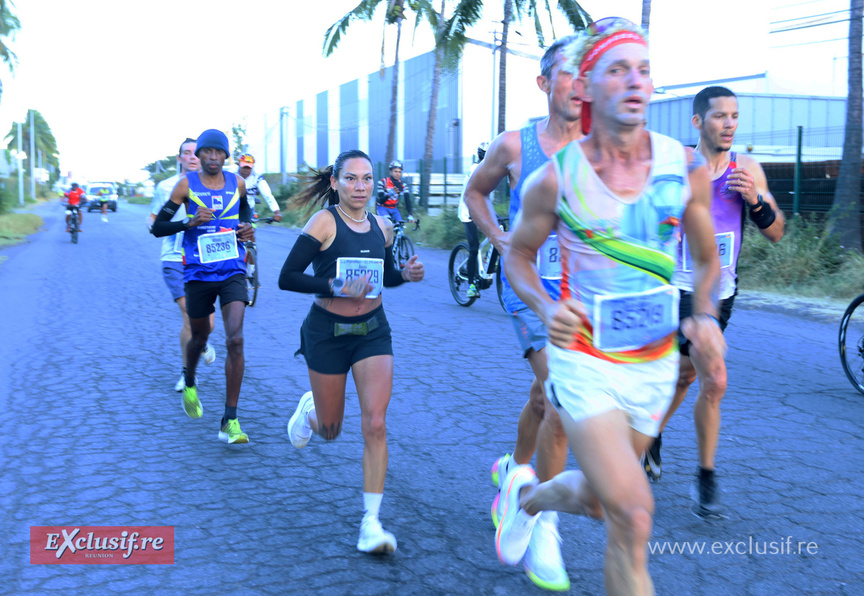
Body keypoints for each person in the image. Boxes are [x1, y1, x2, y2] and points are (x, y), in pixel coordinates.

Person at [495, 19, 725, 595]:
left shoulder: (683, 167)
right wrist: (546, 309)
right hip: (584, 362)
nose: (634, 82)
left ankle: (525, 498)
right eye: (617, 69)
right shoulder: (555, 180)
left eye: (643, 70)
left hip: (652, 364)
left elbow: (705, 260)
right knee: (635, 512)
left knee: (602, 503)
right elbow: (518, 257)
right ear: (588, 87)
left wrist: (702, 314)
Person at [463, 33, 583, 592]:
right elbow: (476, 193)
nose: (580, 81)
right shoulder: (515, 145)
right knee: (562, 391)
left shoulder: (601, 148)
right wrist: (501, 240)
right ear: (544, 83)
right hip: (527, 282)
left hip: (583, 292)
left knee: (544, 396)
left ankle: (514, 473)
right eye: (568, 71)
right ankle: (543, 523)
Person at [644, 86, 785, 517]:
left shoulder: (747, 169)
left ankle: (650, 435)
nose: (729, 124)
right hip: (675, 286)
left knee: (688, 376)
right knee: (713, 378)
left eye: (734, 116)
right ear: (698, 122)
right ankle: (704, 476)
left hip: (721, 291)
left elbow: (776, 232)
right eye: (720, 116)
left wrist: (756, 203)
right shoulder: (675, 164)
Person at [279, 149, 424, 554]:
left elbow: (385, 277)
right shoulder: (324, 222)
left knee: (375, 424)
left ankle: (371, 523)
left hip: (372, 332)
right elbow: (286, 277)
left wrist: (406, 276)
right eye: (351, 179)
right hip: (326, 332)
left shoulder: (382, 227)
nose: (360, 187)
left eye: (366, 179)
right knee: (330, 430)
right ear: (335, 183)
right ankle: (311, 411)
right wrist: (335, 287)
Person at [151, 129, 256, 445]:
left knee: (235, 339)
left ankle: (230, 420)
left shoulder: (237, 183)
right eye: (206, 152)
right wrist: (189, 223)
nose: (211, 158)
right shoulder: (185, 185)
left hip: (233, 269)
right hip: (197, 272)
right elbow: (158, 227)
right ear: (199, 156)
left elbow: (246, 213)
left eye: (217, 153)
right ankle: (191, 380)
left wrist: (249, 229)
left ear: (226, 156)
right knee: (199, 336)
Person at [147, 137, 217, 393]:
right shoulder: (166, 186)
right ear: (179, 158)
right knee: (190, 315)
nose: (191, 157)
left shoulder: (216, 184)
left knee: (207, 324)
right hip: (174, 257)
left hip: (205, 258)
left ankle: (202, 341)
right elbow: (154, 218)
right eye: (186, 153)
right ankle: (188, 374)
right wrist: (154, 226)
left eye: (195, 153)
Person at [457, 142, 489, 298]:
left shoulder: (487, 170)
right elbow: (469, 193)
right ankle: (471, 285)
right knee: (474, 247)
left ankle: (486, 267)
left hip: (478, 208)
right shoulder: (475, 170)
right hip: (467, 210)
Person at [237, 153, 283, 222]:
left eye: (248, 168)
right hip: (232, 208)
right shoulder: (230, 173)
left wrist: (277, 212)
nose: (246, 170)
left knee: (251, 228)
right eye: (244, 167)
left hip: (248, 209)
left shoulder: (257, 176)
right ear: (239, 165)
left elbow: (267, 194)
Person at [376, 159, 415, 225]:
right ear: (391, 172)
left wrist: (410, 214)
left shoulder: (403, 185)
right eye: (395, 171)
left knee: (400, 225)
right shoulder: (383, 182)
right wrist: (390, 194)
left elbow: (407, 200)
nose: (397, 174)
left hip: (394, 209)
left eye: (399, 172)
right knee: (388, 224)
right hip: (382, 208)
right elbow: (380, 201)